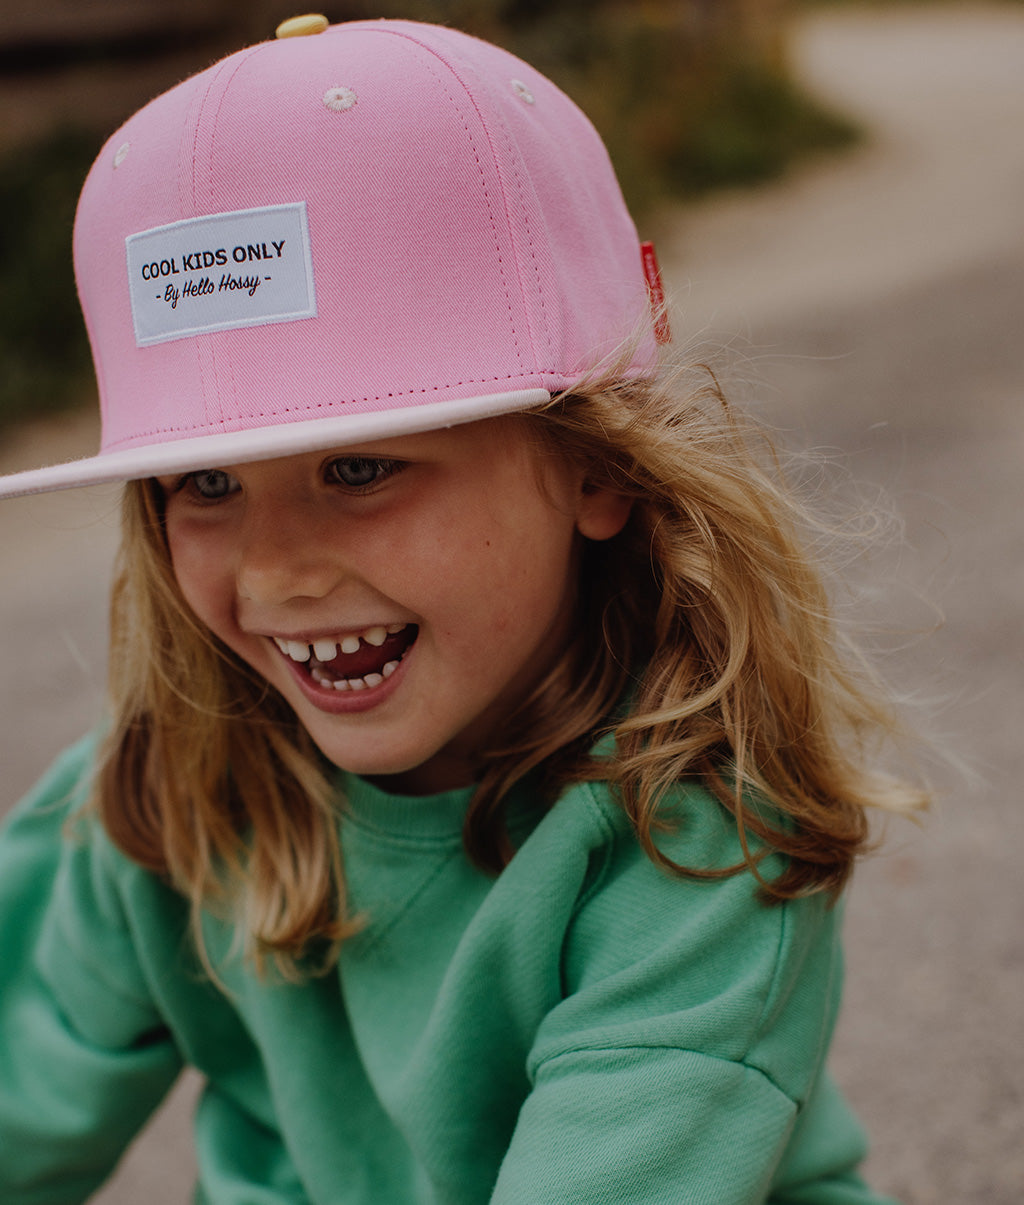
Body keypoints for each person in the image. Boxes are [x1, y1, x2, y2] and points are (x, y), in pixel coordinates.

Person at [0, 15, 924, 1204]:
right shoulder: (161, 793)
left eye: (360, 468)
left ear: (595, 467)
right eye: (207, 486)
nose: (276, 573)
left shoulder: (691, 837)